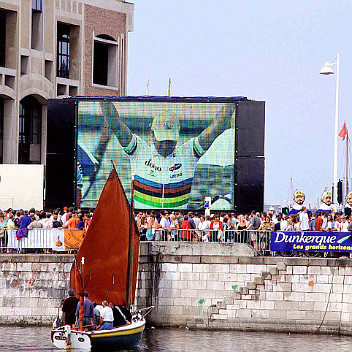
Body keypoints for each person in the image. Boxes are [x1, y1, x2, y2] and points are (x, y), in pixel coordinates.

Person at [97, 101, 235, 209]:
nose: (165, 146)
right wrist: (101, 97)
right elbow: (115, 124)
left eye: (170, 141)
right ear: (152, 134)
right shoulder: (139, 150)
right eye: (162, 140)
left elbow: (219, 126)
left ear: (178, 136)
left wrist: (233, 101)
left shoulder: (188, 153)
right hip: (141, 223)